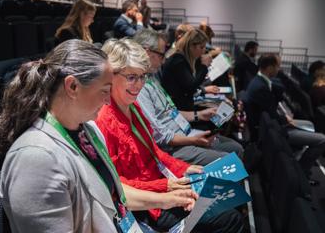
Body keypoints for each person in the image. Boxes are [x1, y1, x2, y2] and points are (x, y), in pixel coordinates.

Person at [0, 40, 199, 233]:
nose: (108, 100)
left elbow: (115, 196)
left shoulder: (87, 130)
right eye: (104, 90)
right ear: (72, 87)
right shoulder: (35, 159)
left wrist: (168, 199)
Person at [96, 38, 244, 232]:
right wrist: (168, 186)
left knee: (228, 191)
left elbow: (154, 152)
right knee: (229, 218)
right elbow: (118, 185)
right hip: (148, 206)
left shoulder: (133, 107)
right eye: (132, 77)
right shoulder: (104, 120)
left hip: (163, 184)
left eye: (143, 77)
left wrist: (185, 168)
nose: (139, 85)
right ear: (111, 75)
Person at [134, 29, 243, 163]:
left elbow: (171, 112)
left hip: (184, 131)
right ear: (146, 52)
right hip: (173, 146)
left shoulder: (151, 78)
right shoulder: (139, 87)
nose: (163, 61)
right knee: (230, 158)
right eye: (161, 55)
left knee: (236, 148)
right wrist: (193, 140)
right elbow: (159, 135)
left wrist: (200, 115)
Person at [245, 53, 325, 182]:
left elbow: (269, 112)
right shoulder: (261, 87)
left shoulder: (259, 81)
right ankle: (302, 174)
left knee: (310, 125)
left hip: (274, 126)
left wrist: (284, 118)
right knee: (322, 139)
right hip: (276, 132)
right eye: (278, 66)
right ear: (270, 67)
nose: (279, 69)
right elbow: (269, 116)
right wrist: (287, 120)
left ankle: (299, 162)